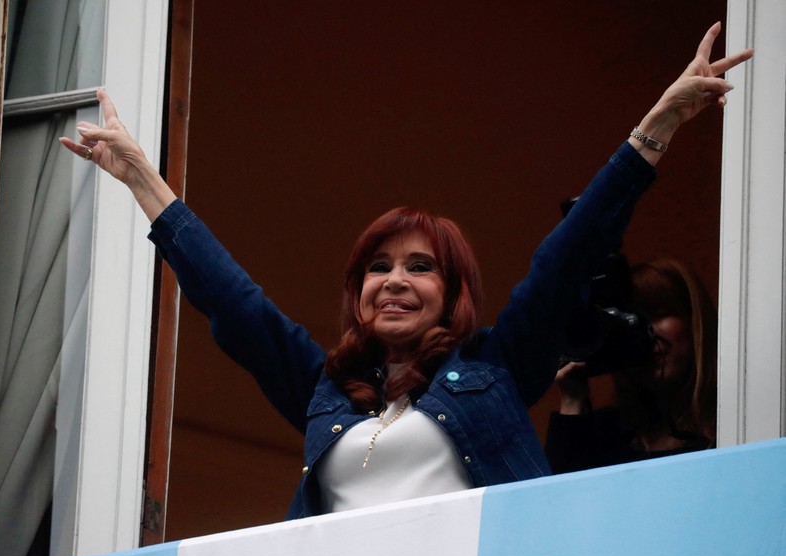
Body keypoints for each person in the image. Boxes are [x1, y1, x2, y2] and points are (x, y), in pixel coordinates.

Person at [60, 23, 752, 517]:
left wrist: (655, 129)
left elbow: (568, 255)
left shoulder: (499, 367)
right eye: (378, 268)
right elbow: (233, 303)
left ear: (453, 297)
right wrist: (142, 178)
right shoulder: (324, 390)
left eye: (421, 268)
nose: (394, 280)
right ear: (357, 295)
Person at [545, 259, 718, 473]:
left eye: (658, 315)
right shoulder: (607, 435)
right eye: (634, 322)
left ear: (694, 322)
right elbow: (557, 498)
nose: (646, 334)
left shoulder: (734, 421)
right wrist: (572, 399)